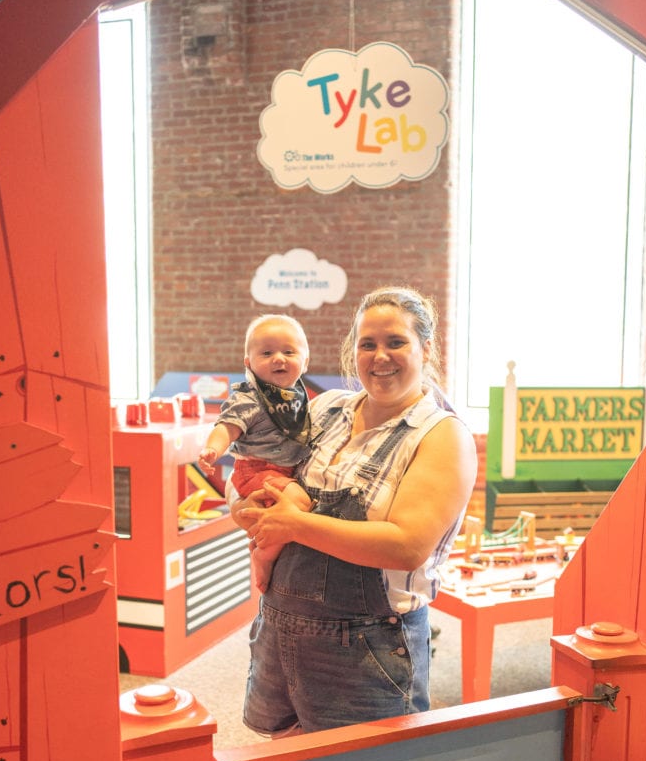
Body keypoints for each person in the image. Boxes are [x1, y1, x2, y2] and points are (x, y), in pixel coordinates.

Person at [233, 285, 478, 736]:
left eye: (395, 342)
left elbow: (407, 546)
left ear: (426, 348)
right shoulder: (325, 409)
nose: (379, 356)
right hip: (280, 628)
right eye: (367, 344)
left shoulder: (441, 436)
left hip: (366, 647)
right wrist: (245, 507)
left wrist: (293, 523)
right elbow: (263, 470)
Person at [198, 313, 314, 592]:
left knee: (283, 513)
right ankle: (264, 556)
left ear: (306, 361)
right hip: (258, 470)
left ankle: (265, 545)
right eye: (267, 352)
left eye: (289, 351)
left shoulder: (297, 397)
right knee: (299, 503)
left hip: (285, 470)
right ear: (248, 363)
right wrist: (213, 449)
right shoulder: (248, 399)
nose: (279, 358)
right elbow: (227, 427)